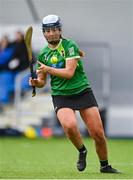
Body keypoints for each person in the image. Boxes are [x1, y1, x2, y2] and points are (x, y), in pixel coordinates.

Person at [29, 14, 120, 173]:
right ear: (44, 33)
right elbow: (42, 81)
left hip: (82, 91)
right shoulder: (43, 54)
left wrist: (48, 69)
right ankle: (82, 150)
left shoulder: (70, 45)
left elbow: (69, 73)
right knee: (70, 126)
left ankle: (105, 165)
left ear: (60, 30)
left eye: (54, 30)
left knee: (98, 134)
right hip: (61, 95)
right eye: (47, 31)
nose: (51, 33)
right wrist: (36, 82)